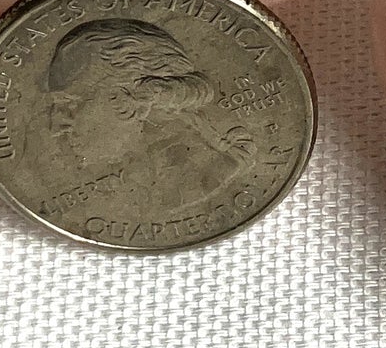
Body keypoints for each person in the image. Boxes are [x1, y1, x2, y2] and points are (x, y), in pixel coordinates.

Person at [43, 19, 258, 220]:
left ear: (130, 99)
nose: (55, 126)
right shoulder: (134, 185)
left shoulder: (200, 180)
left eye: (70, 105)